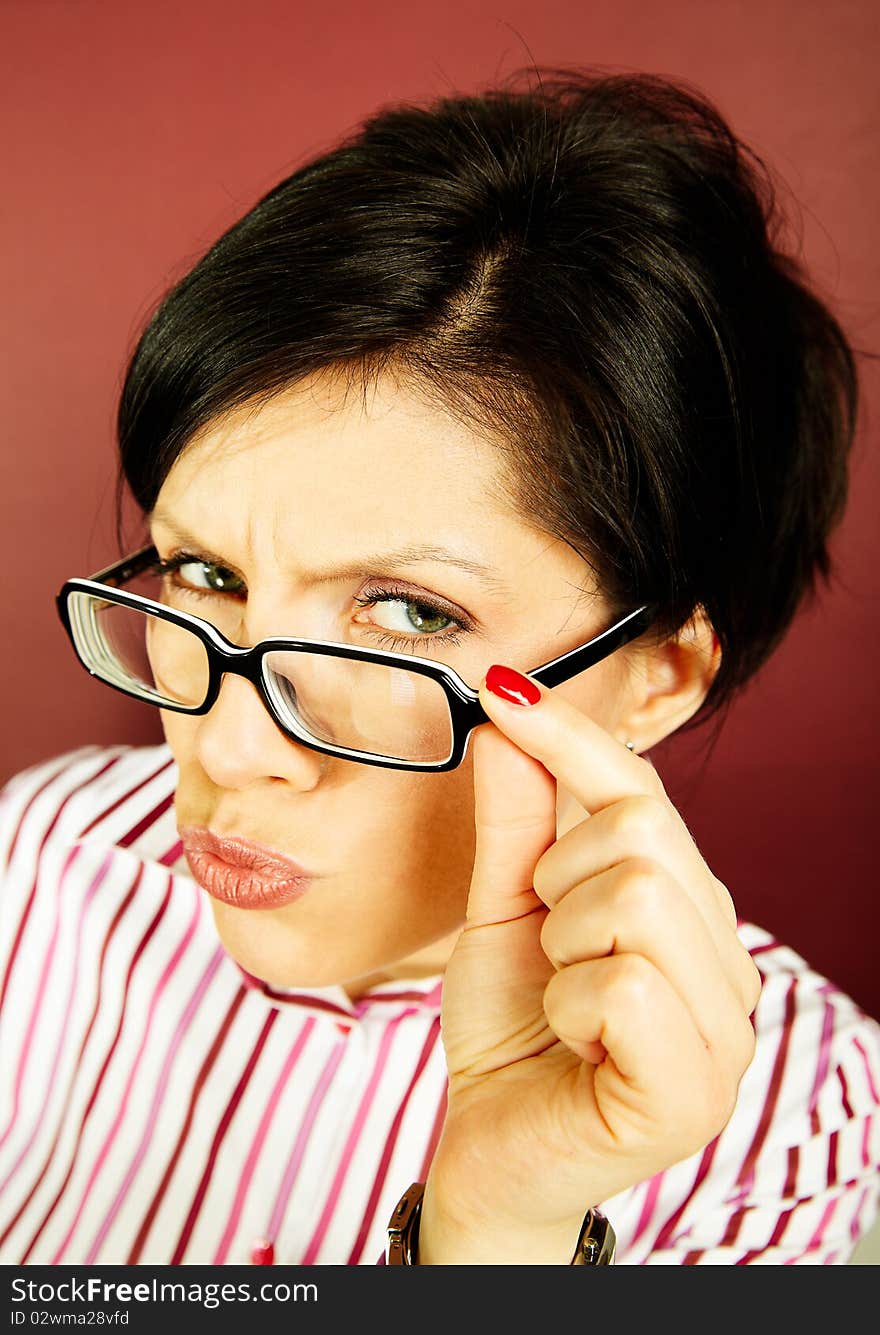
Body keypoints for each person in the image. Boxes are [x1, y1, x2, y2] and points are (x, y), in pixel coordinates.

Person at [1, 65, 878, 1268]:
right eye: (206, 575)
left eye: (409, 613)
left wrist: (501, 1229)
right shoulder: (37, 872)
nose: (231, 745)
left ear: (658, 677)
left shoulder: (796, 1127)